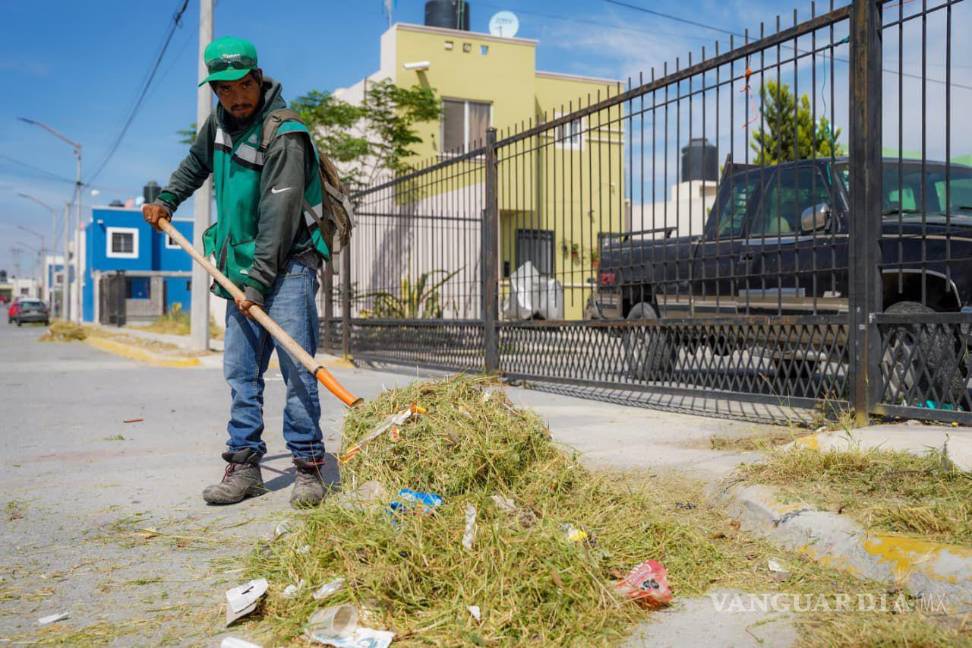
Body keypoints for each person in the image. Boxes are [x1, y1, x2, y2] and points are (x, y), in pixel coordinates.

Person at [142, 36, 334, 508]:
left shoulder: (284, 132)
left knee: (297, 371)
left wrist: (255, 284)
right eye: (223, 90)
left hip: (285, 266)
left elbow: (279, 218)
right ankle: (245, 466)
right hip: (240, 270)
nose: (234, 97)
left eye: (241, 86)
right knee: (242, 373)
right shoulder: (220, 125)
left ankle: (309, 467)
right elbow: (194, 165)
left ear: (257, 77)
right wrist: (167, 200)